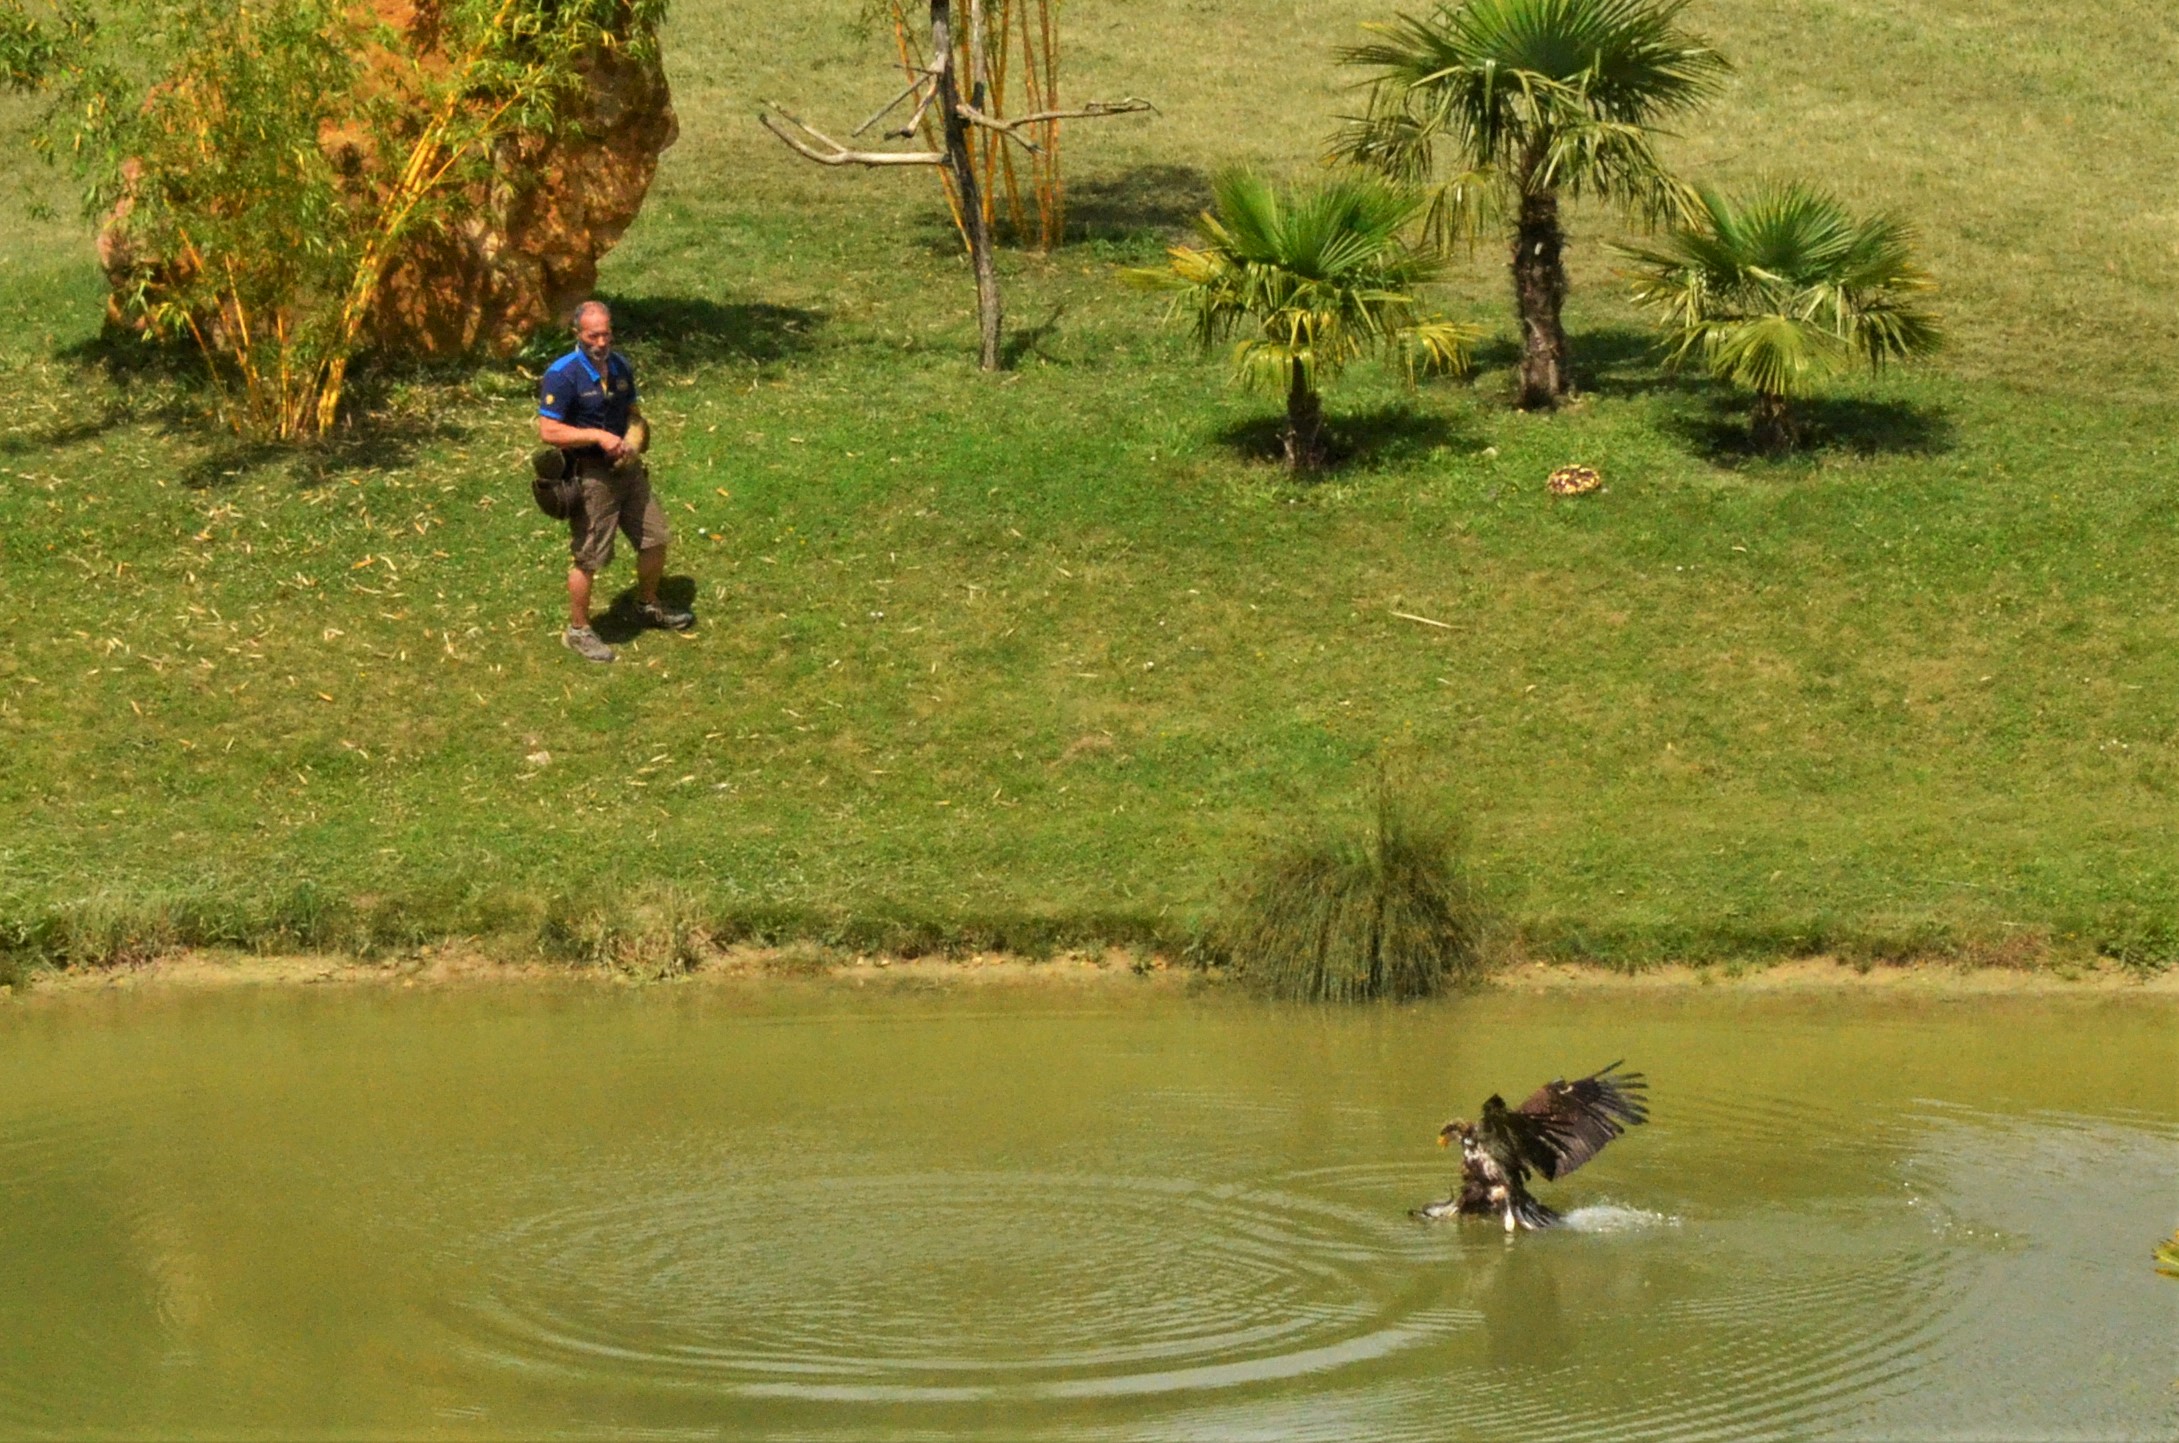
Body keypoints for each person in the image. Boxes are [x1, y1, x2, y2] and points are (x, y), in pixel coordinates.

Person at [537, 299, 693, 662]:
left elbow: (633, 415)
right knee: (589, 556)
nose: (602, 342)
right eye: (594, 335)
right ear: (578, 334)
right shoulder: (562, 374)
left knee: (655, 538)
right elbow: (549, 430)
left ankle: (648, 605)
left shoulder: (621, 367)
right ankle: (578, 630)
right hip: (590, 476)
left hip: (628, 471)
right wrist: (597, 436)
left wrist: (634, 443)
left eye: (606, 334)